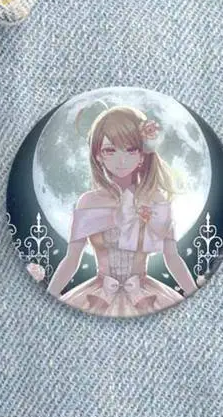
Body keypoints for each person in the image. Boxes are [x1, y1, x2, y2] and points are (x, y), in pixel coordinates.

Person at [47, 105, 197, 316]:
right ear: (98, 155)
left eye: (130, 150)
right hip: (97, 295)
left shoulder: (156, 200)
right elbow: (72, 259)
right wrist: (48, 297)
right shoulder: (88, 202)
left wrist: (196, 297)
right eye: (110, 150)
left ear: (142, 155)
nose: (121, 160)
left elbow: (172, 257)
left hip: (146, 295)